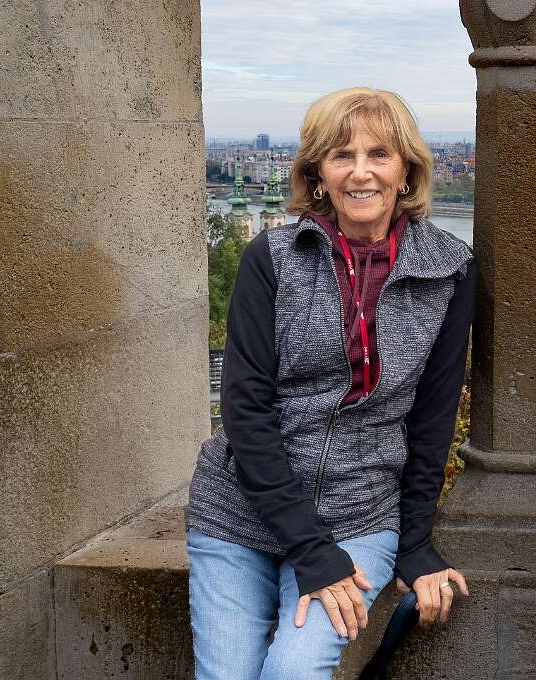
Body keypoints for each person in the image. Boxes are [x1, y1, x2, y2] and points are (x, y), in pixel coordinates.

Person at [185, 88, 476, 680]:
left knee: (294, 673)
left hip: (359, 516)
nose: (361, 172)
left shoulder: (449, 269)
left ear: (407, 171)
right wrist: (310, 549)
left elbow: (432, 420)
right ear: (318, 173)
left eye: (379, 154)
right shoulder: (272, 257)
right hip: (239, 511)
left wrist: (415, 543)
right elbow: (246, 410)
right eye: (343, 155)